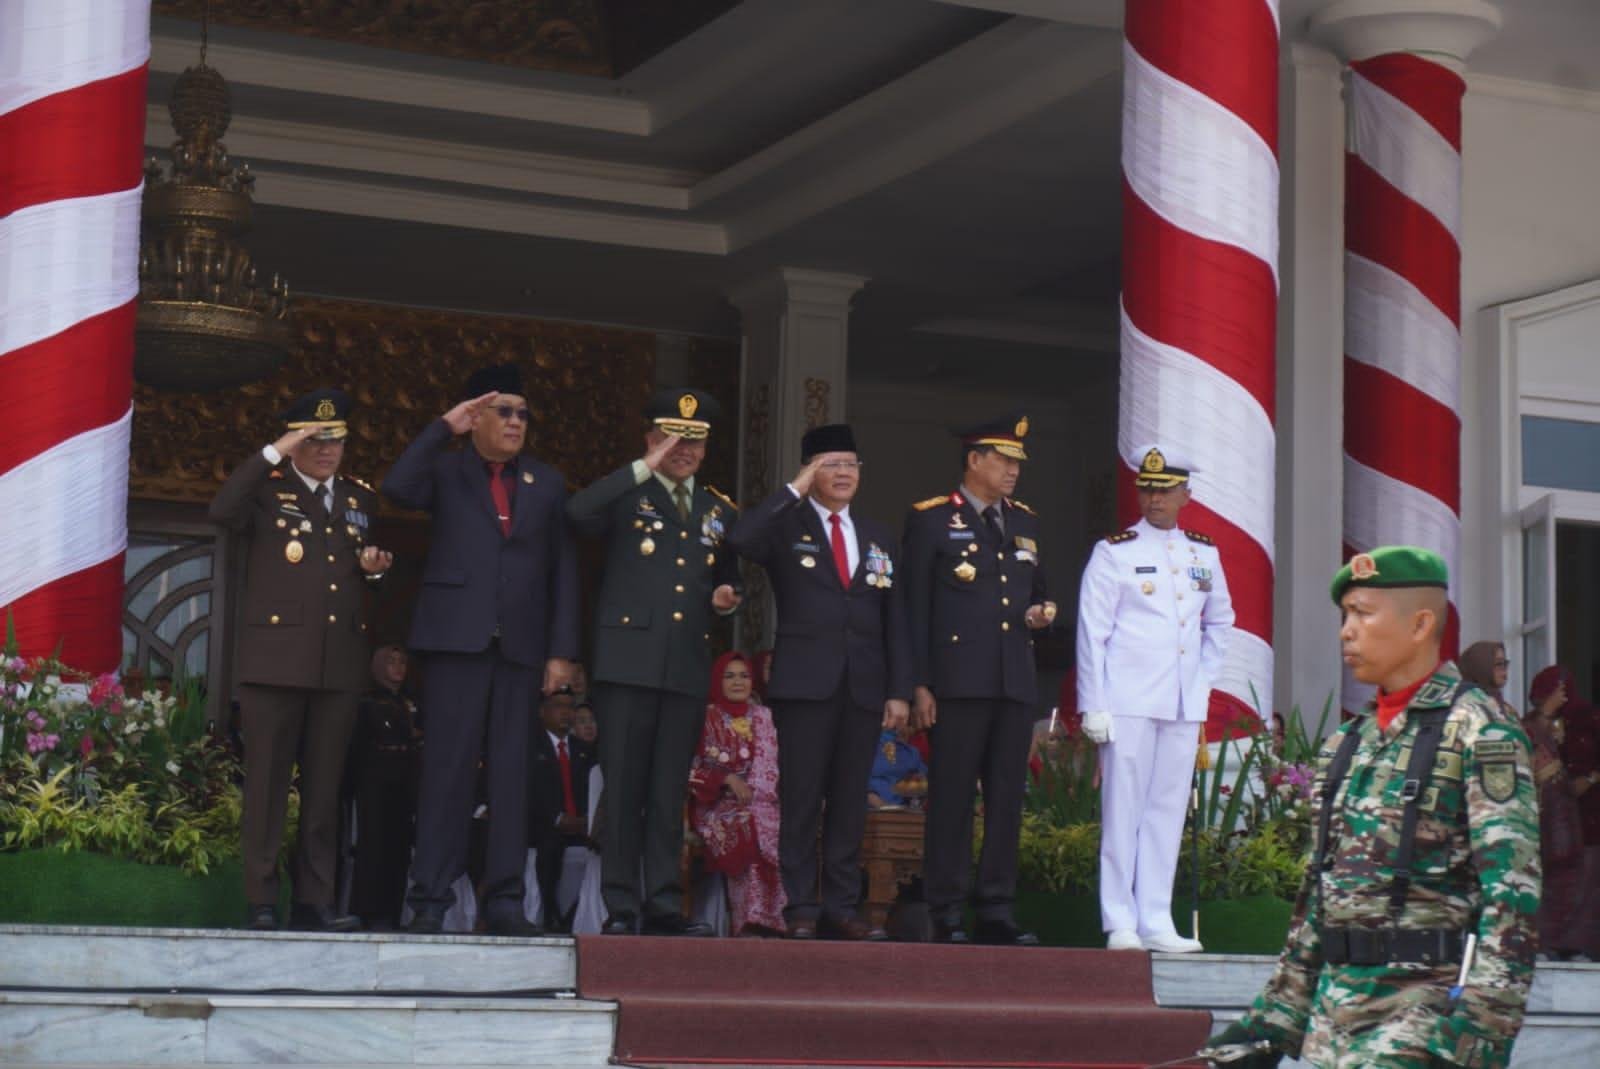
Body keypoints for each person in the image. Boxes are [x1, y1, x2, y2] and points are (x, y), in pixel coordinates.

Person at [1208, 546, 1539, 1069]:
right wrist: (1268, 1026)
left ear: (1420, 624)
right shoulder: (1346, 744)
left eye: (1363, 613)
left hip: (1420, 1023)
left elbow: (1513, 897)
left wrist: (1476, 1040)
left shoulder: (1481, 730)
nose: (1346, 630)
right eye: (1345, 616)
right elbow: (1319, 903)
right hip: (1332, 1028)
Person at [382, 363, 580, 936]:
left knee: (513, 775)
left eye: (523, 413)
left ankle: (506, 900)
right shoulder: (446, 472)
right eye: (504, 411)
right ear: (475, 418)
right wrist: (444, 427)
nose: (517, 422)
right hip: (455, 641)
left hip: (520, 647)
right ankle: (430, 899)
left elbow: (564, 568)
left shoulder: (546, 482)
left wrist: (561, 652)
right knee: (446, 772)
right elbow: (396, 487)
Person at [209, 388, 391, 932]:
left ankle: (315, 900)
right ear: (294, 441)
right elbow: (221, 510)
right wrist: (274, 451)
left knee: (323, 790)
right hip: (275, 662)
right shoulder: (267, 489)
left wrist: (376, 570)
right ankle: (262, 899)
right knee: (266, 788)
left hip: (337, 665)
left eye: (335, 439)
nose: (327, 450)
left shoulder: (360, 497)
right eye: (314, 439)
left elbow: (358, 574)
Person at [567, 387, 741, 936]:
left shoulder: (719, 509)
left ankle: (665, 902)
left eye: (695, 440)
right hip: (627, 662)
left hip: (685, 665)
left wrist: (726, 594)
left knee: (668, 792)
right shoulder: (626, 493)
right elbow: (576, 512)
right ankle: (621, 904)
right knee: (625, 789)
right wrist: (645, 466)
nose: (684, 449)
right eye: (673, 436)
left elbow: (728, 573)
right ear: (650, 437)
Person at [726, 423, 910, 941]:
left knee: (851, 799)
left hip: (864, 684)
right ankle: (802, 906)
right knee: (803, 797)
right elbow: (740, 538)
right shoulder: (786, 527)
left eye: (851, 464)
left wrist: (899, 688)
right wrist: (793, 490)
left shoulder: (876, 535)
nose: (844, 473)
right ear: (810, 472)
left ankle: (843, 907)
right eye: (832, 464)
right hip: (806, 684)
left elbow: (895, 615)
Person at [902, 412, 1055, 946]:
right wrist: (918, 684)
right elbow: (912, 610)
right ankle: (945, 907)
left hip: (1013, 680)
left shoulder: (1024, 521)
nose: (1013, 471)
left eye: (1017, 462)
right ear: (974, 460)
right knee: (952, 797)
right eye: (1004, 460)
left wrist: (1043, 611)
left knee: (1007, 798)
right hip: (957, 681)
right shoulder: (930, 520)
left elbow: (1038, 592)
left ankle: (996, 906)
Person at [1076, 444, 1234, 954]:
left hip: (1183, 700)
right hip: (1127, 698)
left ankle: (1156, 919)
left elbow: (1221, 622)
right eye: (1147, 489)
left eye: (1165, 490)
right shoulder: (1116, 551)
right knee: (1123, 810)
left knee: (1166, 811)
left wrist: (1203, 681)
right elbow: (1092, 633)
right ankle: (1119, 918)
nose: (1153, 499)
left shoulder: (1203, 553)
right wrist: (1092, 702)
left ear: (1186, 494)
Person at [688, 652, 785, 936]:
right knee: (747, 827)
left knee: (782, 829)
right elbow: (686, 769)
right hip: (717, 805)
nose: (738, 681)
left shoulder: (764, 716)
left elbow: (777, 766)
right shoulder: (705, 718)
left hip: (764, 800)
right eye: (729, 676)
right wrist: (726, 778)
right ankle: (749, 921)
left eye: (743, 675)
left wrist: (761, 796)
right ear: (717, 681)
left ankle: (777, 920)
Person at [349, 645, 422, 930]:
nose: (399, 668)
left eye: (403, 662)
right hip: (375, 783)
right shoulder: (367, 702)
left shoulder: (409, 702)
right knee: (373, 846)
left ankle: (392, 911)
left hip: (404, 783)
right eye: (391, 662)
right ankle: (369, 910)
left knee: (400, 849)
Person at [1520, 667, 1587, 961]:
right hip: (1540, 817)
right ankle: (1542, 943)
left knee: (1568, 884)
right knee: (1544, 884)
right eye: (1559, 689)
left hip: (1563, 816)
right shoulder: (1529, 729)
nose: (1565, 695)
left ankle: (1560, 943)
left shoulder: (1565, 726)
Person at [528, 684, 596, 932]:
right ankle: (550, 915)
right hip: (545, 826)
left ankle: (575, 918)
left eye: (569, 707)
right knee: (550, 847)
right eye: (558, 707)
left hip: (582, 826)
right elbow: (529, 794)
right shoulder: (530, 748)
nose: (565, 713)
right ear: (542, 712)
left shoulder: (584, 750)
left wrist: (586, 820)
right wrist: (557, 819)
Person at [868, 726, 928, 809]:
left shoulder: (912, 753)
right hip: (869, 810)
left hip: (901, 812)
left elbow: (924, 784)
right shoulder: (869, 744)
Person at [1458, 642, 1518, 721]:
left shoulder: (1506, 708)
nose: (1504, 669)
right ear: (1480, 666)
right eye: (1499, 663)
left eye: (1505, 663)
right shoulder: (1465, 707)